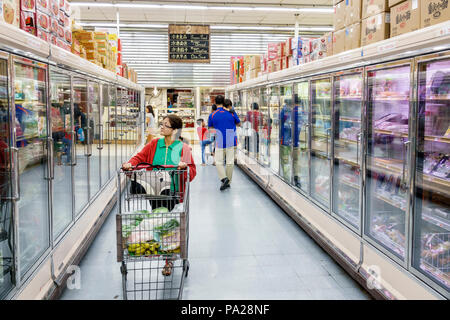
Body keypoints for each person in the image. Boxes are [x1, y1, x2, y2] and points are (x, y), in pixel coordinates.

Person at [208, 95, 240, 191]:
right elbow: (239, 123)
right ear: (224, 102)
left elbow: (210, 128)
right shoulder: (231, 113)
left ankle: (224, 178)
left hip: (220, 139)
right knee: (230, 162)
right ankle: (228, 182)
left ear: (215, 102)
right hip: (231, 138)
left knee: (218, 161)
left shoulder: (212, 115)